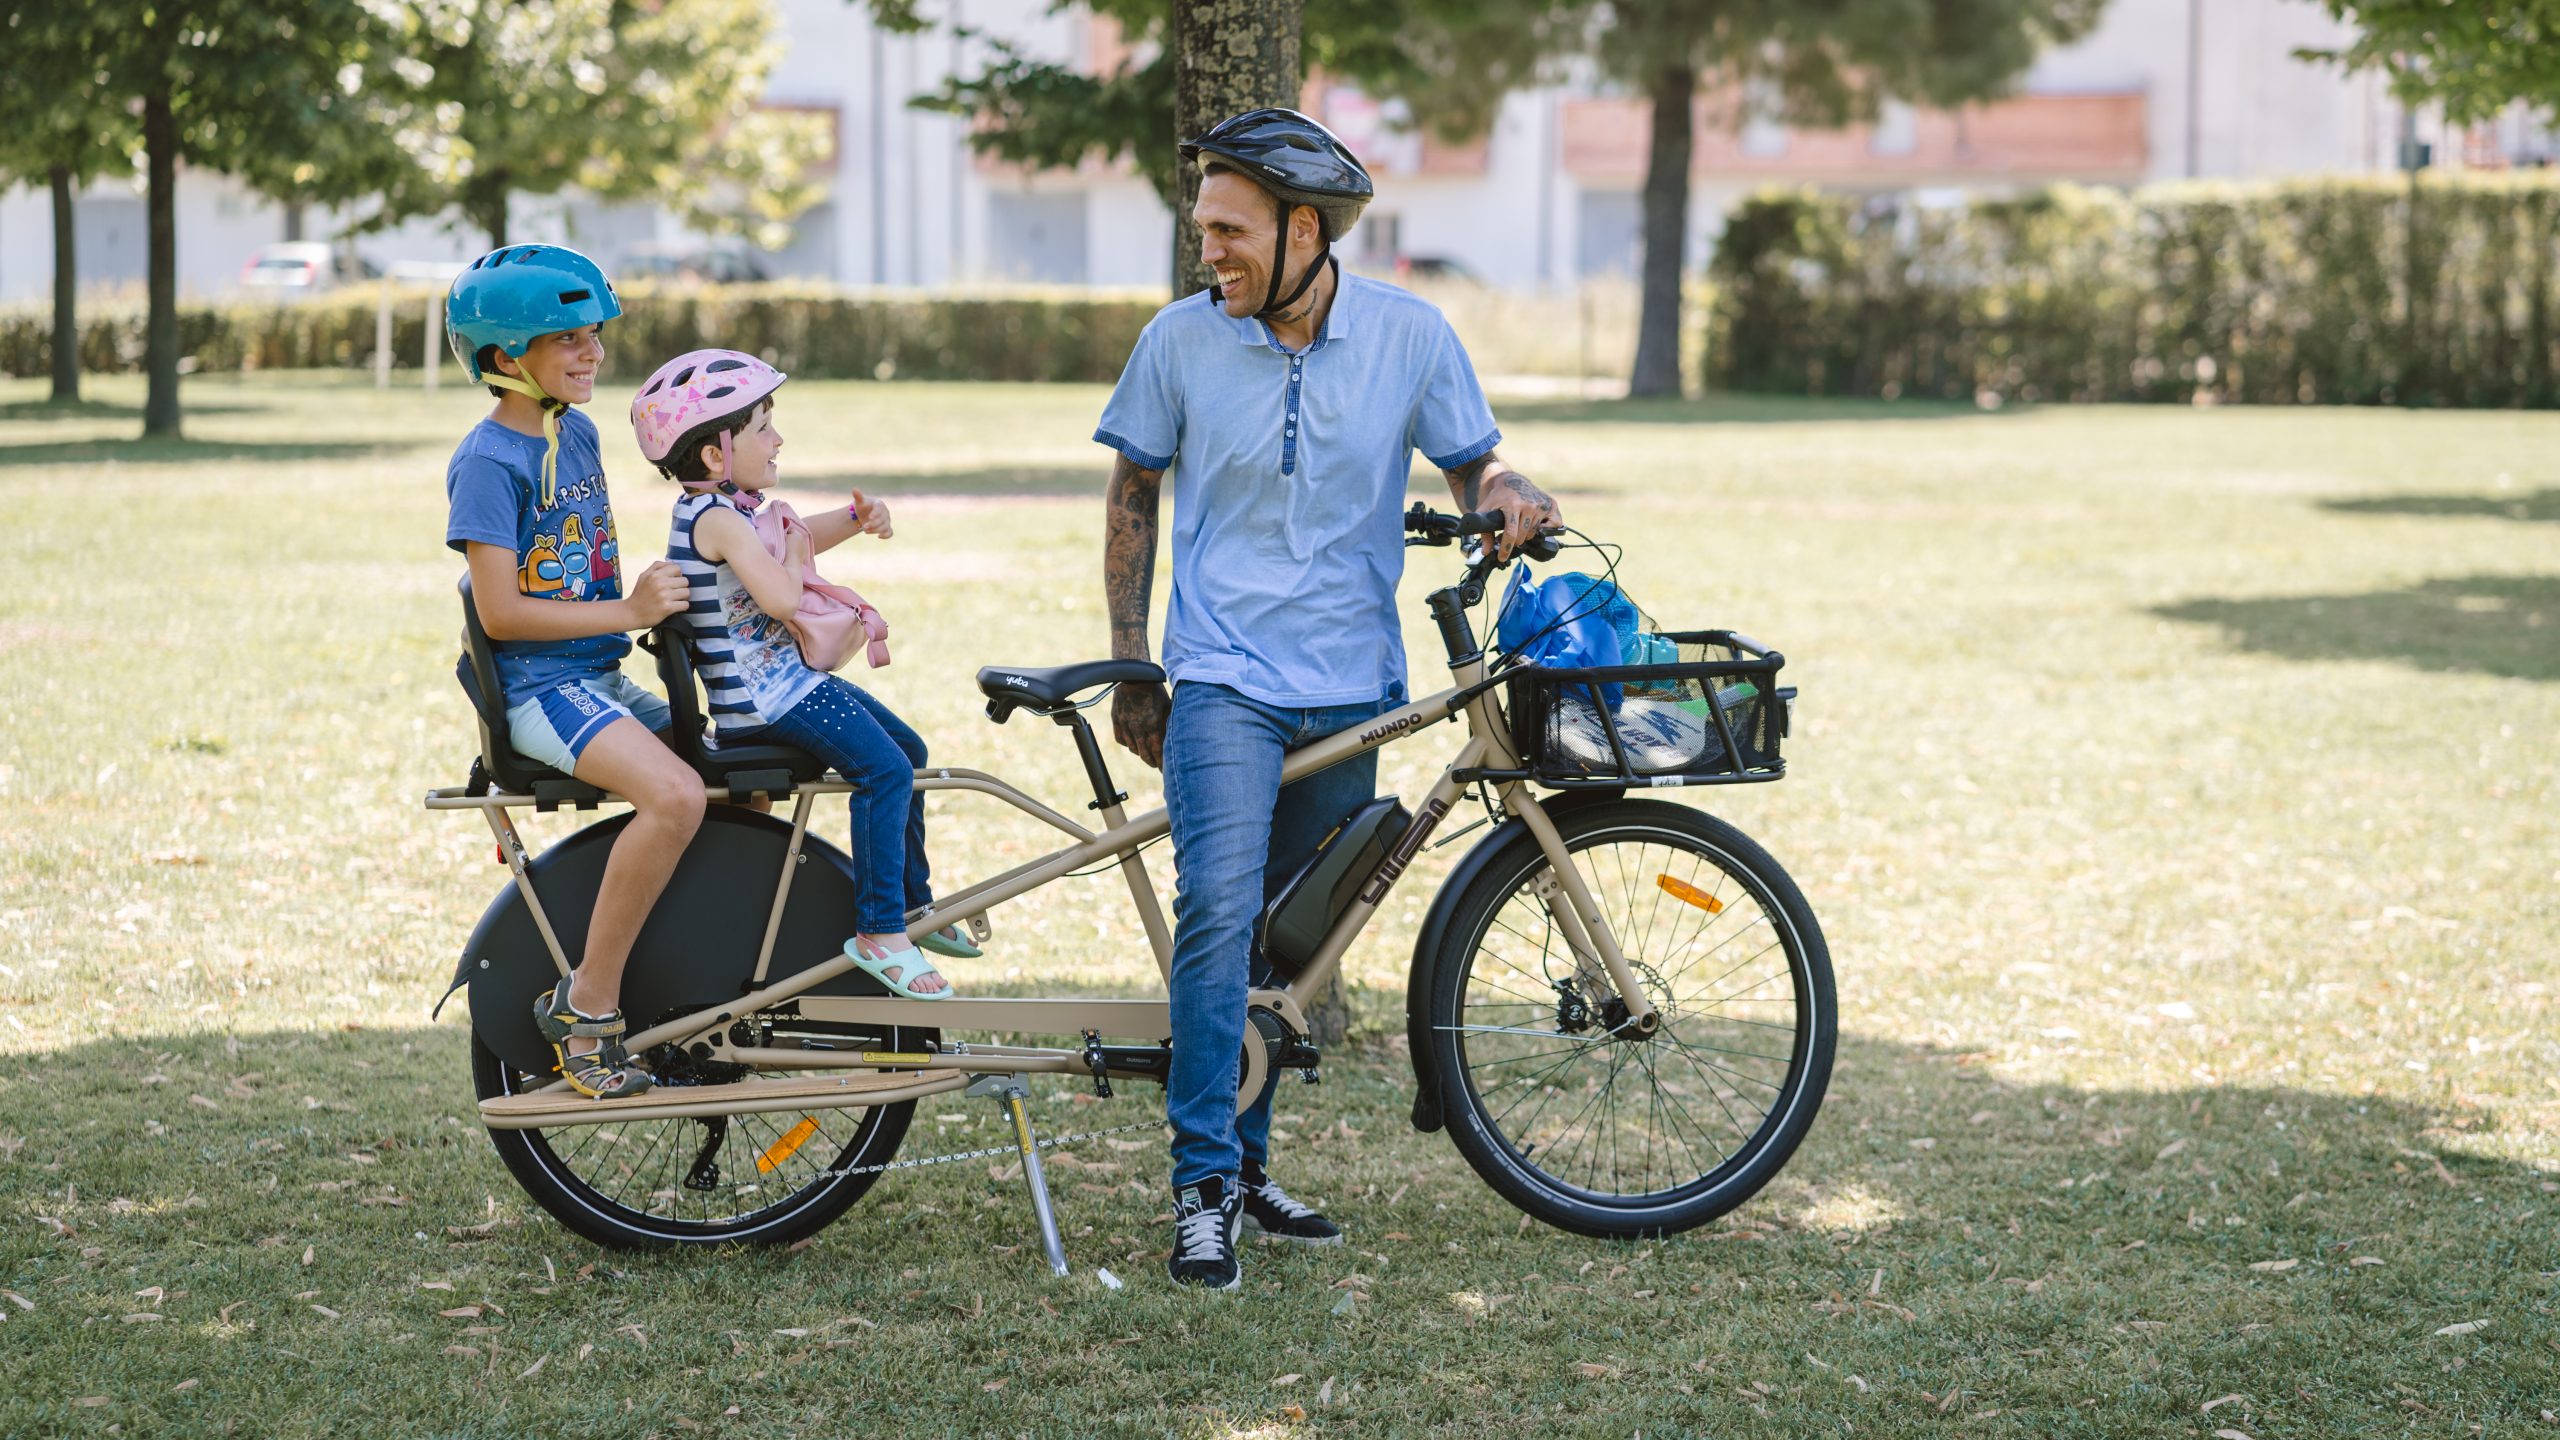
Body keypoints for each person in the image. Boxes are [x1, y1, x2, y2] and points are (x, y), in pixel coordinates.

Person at [1092, 108, 1564, 1290]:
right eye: (1202, 230)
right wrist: (1131, 656)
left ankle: (1248, 1168)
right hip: (1224, 676)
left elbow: (1474, 461)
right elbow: (1132, 494)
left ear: (1306, 230)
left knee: (1288, 943)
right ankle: (1201, 1186)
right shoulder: (1179, 342)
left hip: (1352, 682)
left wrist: (1510, 488)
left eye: (1230, 230)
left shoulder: (1412, 336)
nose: (1210, 253)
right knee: (1216, 913)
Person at [630, 348, 978, 999]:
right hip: (764, 703)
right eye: (763, 426)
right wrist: (792, 551)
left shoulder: (724, 513)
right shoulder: (715, 522)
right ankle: (880, 929)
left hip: (783, 688)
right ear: (715, 455)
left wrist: (852, 519)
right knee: (885, 770)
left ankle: (911, 905)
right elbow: (783, 598)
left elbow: (793, 533)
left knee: (908, 750)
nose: (777, 437)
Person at [442, 244, 696, 1100]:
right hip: (543, 692)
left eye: (593, 335)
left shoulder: (575, 431)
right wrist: (629, 611)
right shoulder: (489, 462)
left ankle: (680, 962)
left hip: (601, 676)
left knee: (743, 776)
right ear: (505, 360)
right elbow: (503, 611)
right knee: (677, 796)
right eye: (567, 340)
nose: (592, 353)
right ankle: (586, 1008)